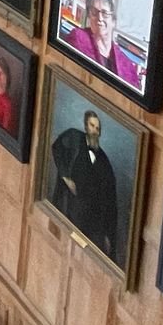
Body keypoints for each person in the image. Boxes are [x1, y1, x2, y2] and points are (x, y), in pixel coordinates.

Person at [49, 108, 120, 257]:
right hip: (68, 205)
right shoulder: (74, 137)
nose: (95, 131)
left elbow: (108, 198)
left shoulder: (103, 161)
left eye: (97, 128)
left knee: (81, 252)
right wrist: (66, 177)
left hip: (88, 218)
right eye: (92, 126)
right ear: (86, 126)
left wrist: (107, 234)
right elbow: (56, 148)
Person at [63, 0, 143, 91]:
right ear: (89, 16)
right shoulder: (78, 38)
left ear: (113, 20)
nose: (99, 18)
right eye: (94, 12)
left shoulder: (127, 66)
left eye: (105, 13)